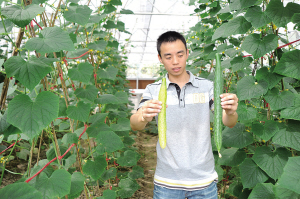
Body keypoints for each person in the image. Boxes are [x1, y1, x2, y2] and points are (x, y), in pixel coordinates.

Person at [130, 31, 238, 199]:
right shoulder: (154, 89)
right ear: (160, 58)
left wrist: (230, 111)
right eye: (168, 56)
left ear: (187, 53)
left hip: (204, 180)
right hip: (167, 181)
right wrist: (143, 115)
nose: (175, 61)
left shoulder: (207, 87)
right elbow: (135, 124)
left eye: (180, 55)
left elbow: (228, 121)